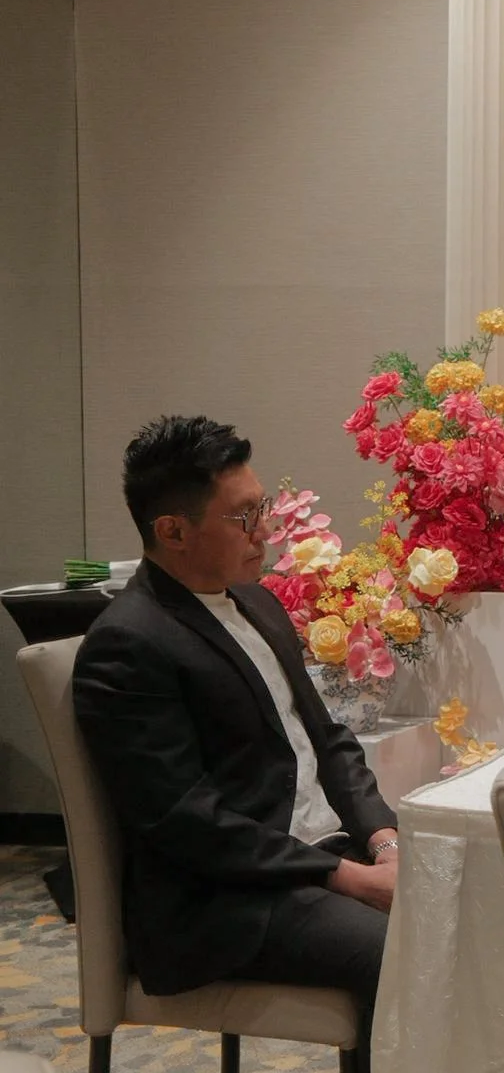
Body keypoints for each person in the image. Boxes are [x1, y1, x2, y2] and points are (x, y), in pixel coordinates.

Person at [71, 416, 397, 1036]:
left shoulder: (257, 601)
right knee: (402, 945)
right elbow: (186, 821)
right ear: (173, 531)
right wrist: (348, 877)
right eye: (243, 516)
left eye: (262, 507)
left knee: (478, 895)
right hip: (224, 901)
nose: (265, 530)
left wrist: (385, 842)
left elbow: (329, 741)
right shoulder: (128, 643)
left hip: (314, 857)